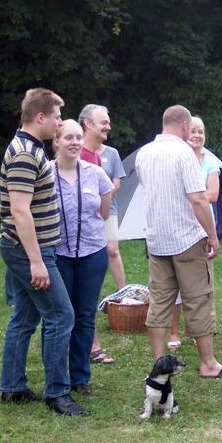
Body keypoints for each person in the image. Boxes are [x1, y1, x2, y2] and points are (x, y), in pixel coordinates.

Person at [135, 104, 222, 380]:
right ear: (184, 125)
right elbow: (198, 199)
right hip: (186, 239)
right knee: (198, 300)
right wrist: (212, 235)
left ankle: (159, 363)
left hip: (156, 240)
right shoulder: (184, 153)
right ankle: (208, 365)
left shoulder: (144, 153)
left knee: (159, 302)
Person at [0, 88, 88, 416]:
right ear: (40, 117)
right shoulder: (25, 153)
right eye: (56, 117)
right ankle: (57, 394)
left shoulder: (31, 147)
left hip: (32, 249)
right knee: (61, 316)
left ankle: (13, 387)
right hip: (29, 251)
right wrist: (36, 261)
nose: (59, 122)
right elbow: (19, 210)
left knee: (24, 317)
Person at [53, 119, 114, 395]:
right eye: (69, 137)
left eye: (79, 137)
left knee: (85, 315)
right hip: (58, 254)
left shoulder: (96, 174)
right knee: (60, 316)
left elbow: (104, 212)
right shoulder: (45, 174)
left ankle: (79, 378)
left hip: (92, 253)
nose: (75, 142)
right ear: (56, 141)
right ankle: (57, 376)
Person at [78, 104, 126, 365]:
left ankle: (91, 346)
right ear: (87, 124)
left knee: (87, 293)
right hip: (73, 236)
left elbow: (104, 200)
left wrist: (102, 201)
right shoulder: (75, 153)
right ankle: (86, 347)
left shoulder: (102, 157)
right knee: (79, 295)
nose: (108, 126)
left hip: (94, 229)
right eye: (103, 122)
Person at [167, 115, 220, 348]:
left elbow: (213, 194)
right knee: (174, 285)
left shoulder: (210, 162)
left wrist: (190, 195)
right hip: (178, 226)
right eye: (193, 131)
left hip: (202, 228)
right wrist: (195, 195)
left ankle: (203, 331)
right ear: (184, 132)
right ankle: (173, 332)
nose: (197, 135)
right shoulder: (176, 157)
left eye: (201, 131)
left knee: (203, 284)